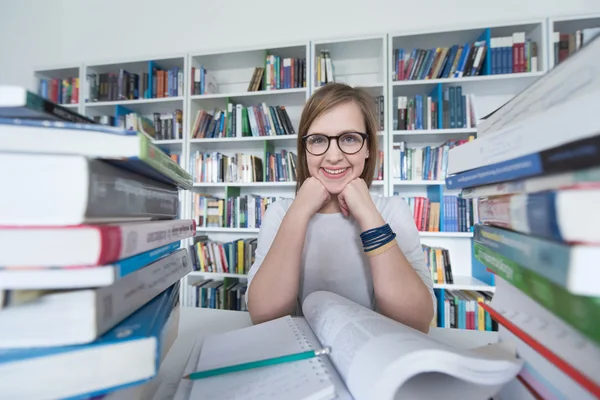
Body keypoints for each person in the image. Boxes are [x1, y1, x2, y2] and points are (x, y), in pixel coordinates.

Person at [245, 83, 435, 333]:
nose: (333, 156)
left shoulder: (391, 210)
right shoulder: (280, 213)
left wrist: (368, 215)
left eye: (349, 138)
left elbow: (417, 319)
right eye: (318, 140)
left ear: (367, 148)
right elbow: (263, 315)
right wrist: (299, 211)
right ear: (305, 150)